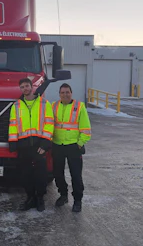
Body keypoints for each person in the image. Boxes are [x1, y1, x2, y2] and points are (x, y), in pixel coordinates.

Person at [8, 78, 54, 212]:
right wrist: (13, 143)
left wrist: (45, 144)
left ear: (32, 86)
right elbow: (13, 125)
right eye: (22, 87)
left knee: (41, 174)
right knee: (25, 174)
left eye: (27, 86)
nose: (25, 89)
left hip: (39, 145)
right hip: (24, 146)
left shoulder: (44, 104)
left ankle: (40, 199)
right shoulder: (16, 105)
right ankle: (30, 198)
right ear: (20, 89)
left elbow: (49, 124)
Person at [52, 83, 91, 212]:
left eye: (67, 92)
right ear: (59, 94)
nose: (65, 94)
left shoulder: (79, 107)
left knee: (76, 175)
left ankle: (78, 200)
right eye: (62, 92)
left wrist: (80, 143)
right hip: (57, 145)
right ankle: (63, 195)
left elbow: (86, 129)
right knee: (57, 173)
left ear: (71, 93)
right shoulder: (54, 106)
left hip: (74, 146)